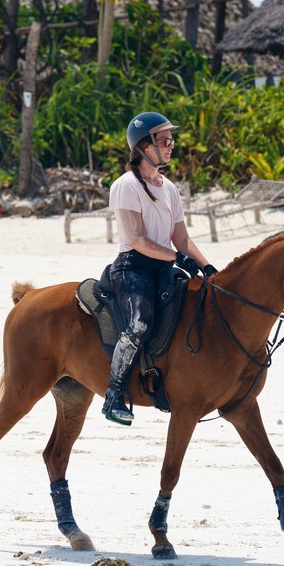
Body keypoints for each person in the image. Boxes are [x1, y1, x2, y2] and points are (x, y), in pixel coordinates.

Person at [102, 111, 217, 426]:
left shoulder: (169, 188)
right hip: (132, 268)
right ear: (144, 146)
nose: (171, 145)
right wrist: (176, 258)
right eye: (164, 140)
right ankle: (114, 396)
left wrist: (208, 269)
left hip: (164, 266)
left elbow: (181, 237)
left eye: (171, 140)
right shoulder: (126, 186)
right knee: (140, 322)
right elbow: (136, 239)